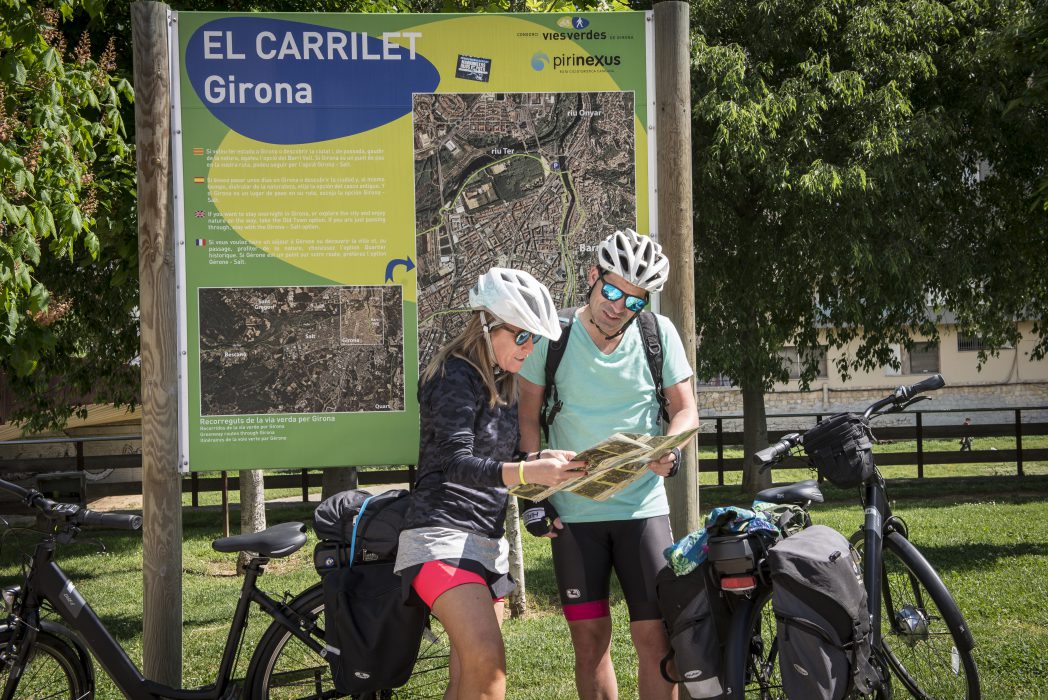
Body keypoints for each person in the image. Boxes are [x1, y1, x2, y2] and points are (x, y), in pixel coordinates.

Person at [517, 228, 700, 700]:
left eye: (634, 301)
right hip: (575, 517)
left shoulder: (659, 334)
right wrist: (532, 501)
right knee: (590, 644)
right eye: (612, 290)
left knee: (656, 639)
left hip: (643, 510)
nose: (618, 307)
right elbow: (527, 419)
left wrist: (671, 449)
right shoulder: (553, 337)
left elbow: (686, 409)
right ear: (593, 276)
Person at [395, 267, 585, 700]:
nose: (529, 347)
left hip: (485, 543)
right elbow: (458, 463)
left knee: (469, 679)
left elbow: (502, 461)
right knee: (489, 669)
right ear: (486, 325)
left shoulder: (504, 382)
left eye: (535, 339)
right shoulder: (453, 377)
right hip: (439, 536)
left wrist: (539, 460)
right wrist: (526, 471)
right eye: (521, 335)